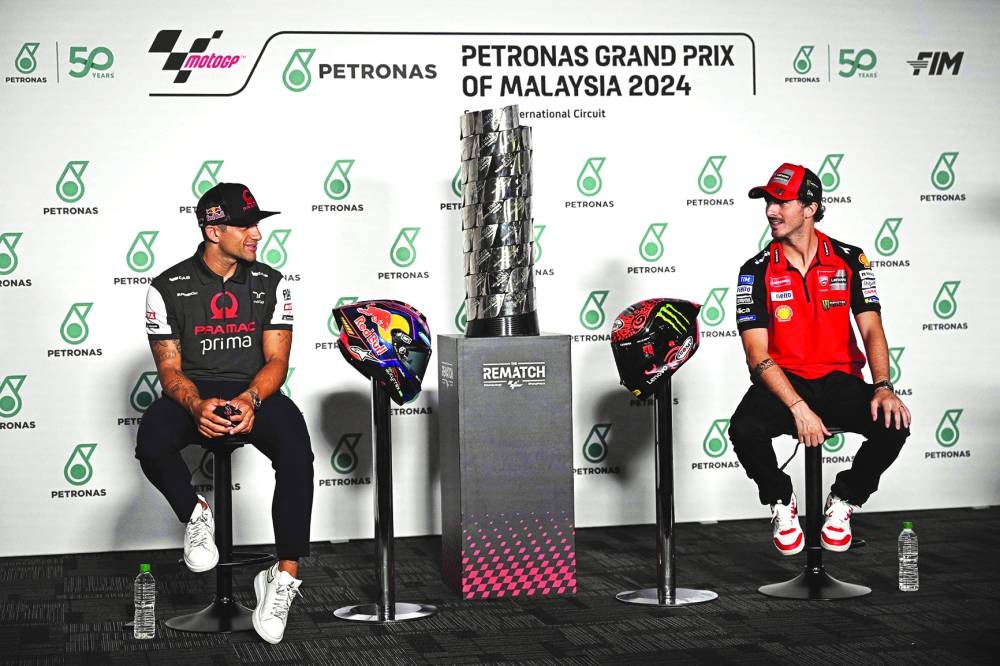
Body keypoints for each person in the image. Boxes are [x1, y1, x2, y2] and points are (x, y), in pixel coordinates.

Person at [135, 182, 313, 643]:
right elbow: (170, 371)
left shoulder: (273, 282)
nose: (257, 234)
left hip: (253, 391)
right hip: (194, 391)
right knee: (152, 438)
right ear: (214, 230)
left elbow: (277, 361)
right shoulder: (165, 287)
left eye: (257, 224)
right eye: (246, 225)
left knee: (296, 447)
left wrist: (251, 400)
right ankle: (195, 513)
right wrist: (196, 405)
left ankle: (283, 576)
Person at [728, 163, 911, 556]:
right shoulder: (753, 272)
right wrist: (798, 407)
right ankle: (780, 501)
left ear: (810, 207)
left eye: (781, 201)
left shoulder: (851, 259)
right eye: (768, 202)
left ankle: (844, 501)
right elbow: (756, 356)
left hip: (840, 381)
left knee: (894, 424)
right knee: (744, 428)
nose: (770, 211)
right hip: (784, 382)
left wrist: (883, 387)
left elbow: (872, 330)